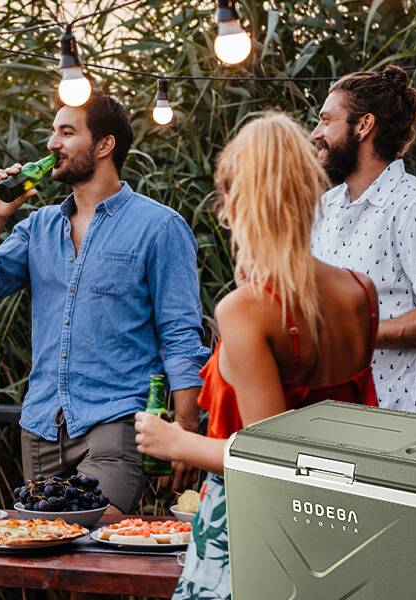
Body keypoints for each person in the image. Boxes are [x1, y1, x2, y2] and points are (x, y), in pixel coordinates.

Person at [133, 113, 380, 600]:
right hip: (343, 525)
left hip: (256, 534)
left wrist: (173, 442)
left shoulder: (246, 310)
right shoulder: (359, 290)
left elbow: (272, 461)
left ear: (238, 201)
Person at [0, 94, 211, 515]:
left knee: (93, 537)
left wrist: (186, 435)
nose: (52, 143)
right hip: (40, 427)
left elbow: (181, 336)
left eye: (67, 132)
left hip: (116, 422)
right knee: (49, 555)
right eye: (53, 131)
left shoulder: (159, 227)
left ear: (104, 145)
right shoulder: (38, 227)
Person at [309, 65, 416, 415]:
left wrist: (360, 335)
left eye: (326, 120)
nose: (315, 133)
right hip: (325, 417)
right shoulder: (326, 206)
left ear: (364, 125)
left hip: (394, 428)